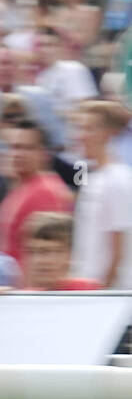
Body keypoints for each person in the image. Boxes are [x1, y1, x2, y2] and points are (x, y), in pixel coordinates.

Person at [0, 119, 74, 264]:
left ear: (44, 153)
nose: (18, 154)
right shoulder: (18, 187)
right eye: (14, 147)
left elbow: (50, 255)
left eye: (27, 148)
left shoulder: (46, 192)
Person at [69, 99, 132, 287]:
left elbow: (119, 252)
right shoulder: (95, 178)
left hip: (109, 298)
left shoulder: (119, 180)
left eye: (89, 129)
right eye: (80, 128)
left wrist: (103, 291)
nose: (80, 136)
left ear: (110, 134)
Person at [18, 211, 103, 290]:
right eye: (30, 251)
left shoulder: (89, 292)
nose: (37, 260)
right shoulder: (17, 300)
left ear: (70, 254)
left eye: (46, 251)